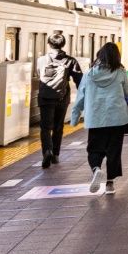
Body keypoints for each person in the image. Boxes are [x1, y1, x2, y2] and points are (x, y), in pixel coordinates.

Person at [71, 42, 128, 196]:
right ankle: (110, 183)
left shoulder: (89, 74)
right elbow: (127, 91)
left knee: (94, 148)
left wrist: (75, 116)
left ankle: (96, 168)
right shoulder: (120, 72)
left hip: (95, 118)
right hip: (117, 117)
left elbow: (80, 97)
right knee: (114, 150)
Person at [35, 33, 82, 169]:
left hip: (45, 98)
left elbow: (40, 74)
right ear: (63, 44)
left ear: (49, 44)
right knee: (58, 127)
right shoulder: (70, 61)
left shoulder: (41, 60)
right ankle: (55, 154)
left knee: (45, 128)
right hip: (62, 98)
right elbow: (79, 80)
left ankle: (47, 151)